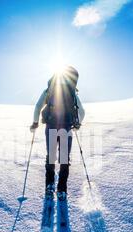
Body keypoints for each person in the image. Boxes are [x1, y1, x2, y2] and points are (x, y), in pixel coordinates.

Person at [30, 66, 85, 201]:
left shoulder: (49, 90)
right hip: (66, 128)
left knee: (51, 156)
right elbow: (82, 111)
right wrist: (77, 124)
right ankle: (62, 189)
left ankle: (49, 186)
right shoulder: (72, 93)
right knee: (64, 158)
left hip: (51, 127)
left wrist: (35, 123)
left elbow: (38, 106)